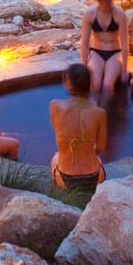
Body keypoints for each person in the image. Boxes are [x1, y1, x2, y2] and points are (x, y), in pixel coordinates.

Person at [49, 63, 107, 191]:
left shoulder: (55, 106)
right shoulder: (99, 112)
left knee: (56, 156)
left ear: (68, 83)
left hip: (65, 177)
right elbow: (101, 147)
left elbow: (59, 133)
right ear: (89, 84)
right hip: (94, 177)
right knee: (95, 156)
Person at [79, 0, 129, 91]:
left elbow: (125, 43)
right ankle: (93, 107)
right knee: (94, 85)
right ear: (99, 0)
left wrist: (125, 70)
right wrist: (83, 65)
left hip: (115, 53)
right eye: (104, 1)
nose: (107, 4)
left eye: (109, 1)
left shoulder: (119, 14)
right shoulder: (90, 14)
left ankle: (106, 108)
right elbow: (84, 43)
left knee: (107, 85)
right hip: (97, 52)